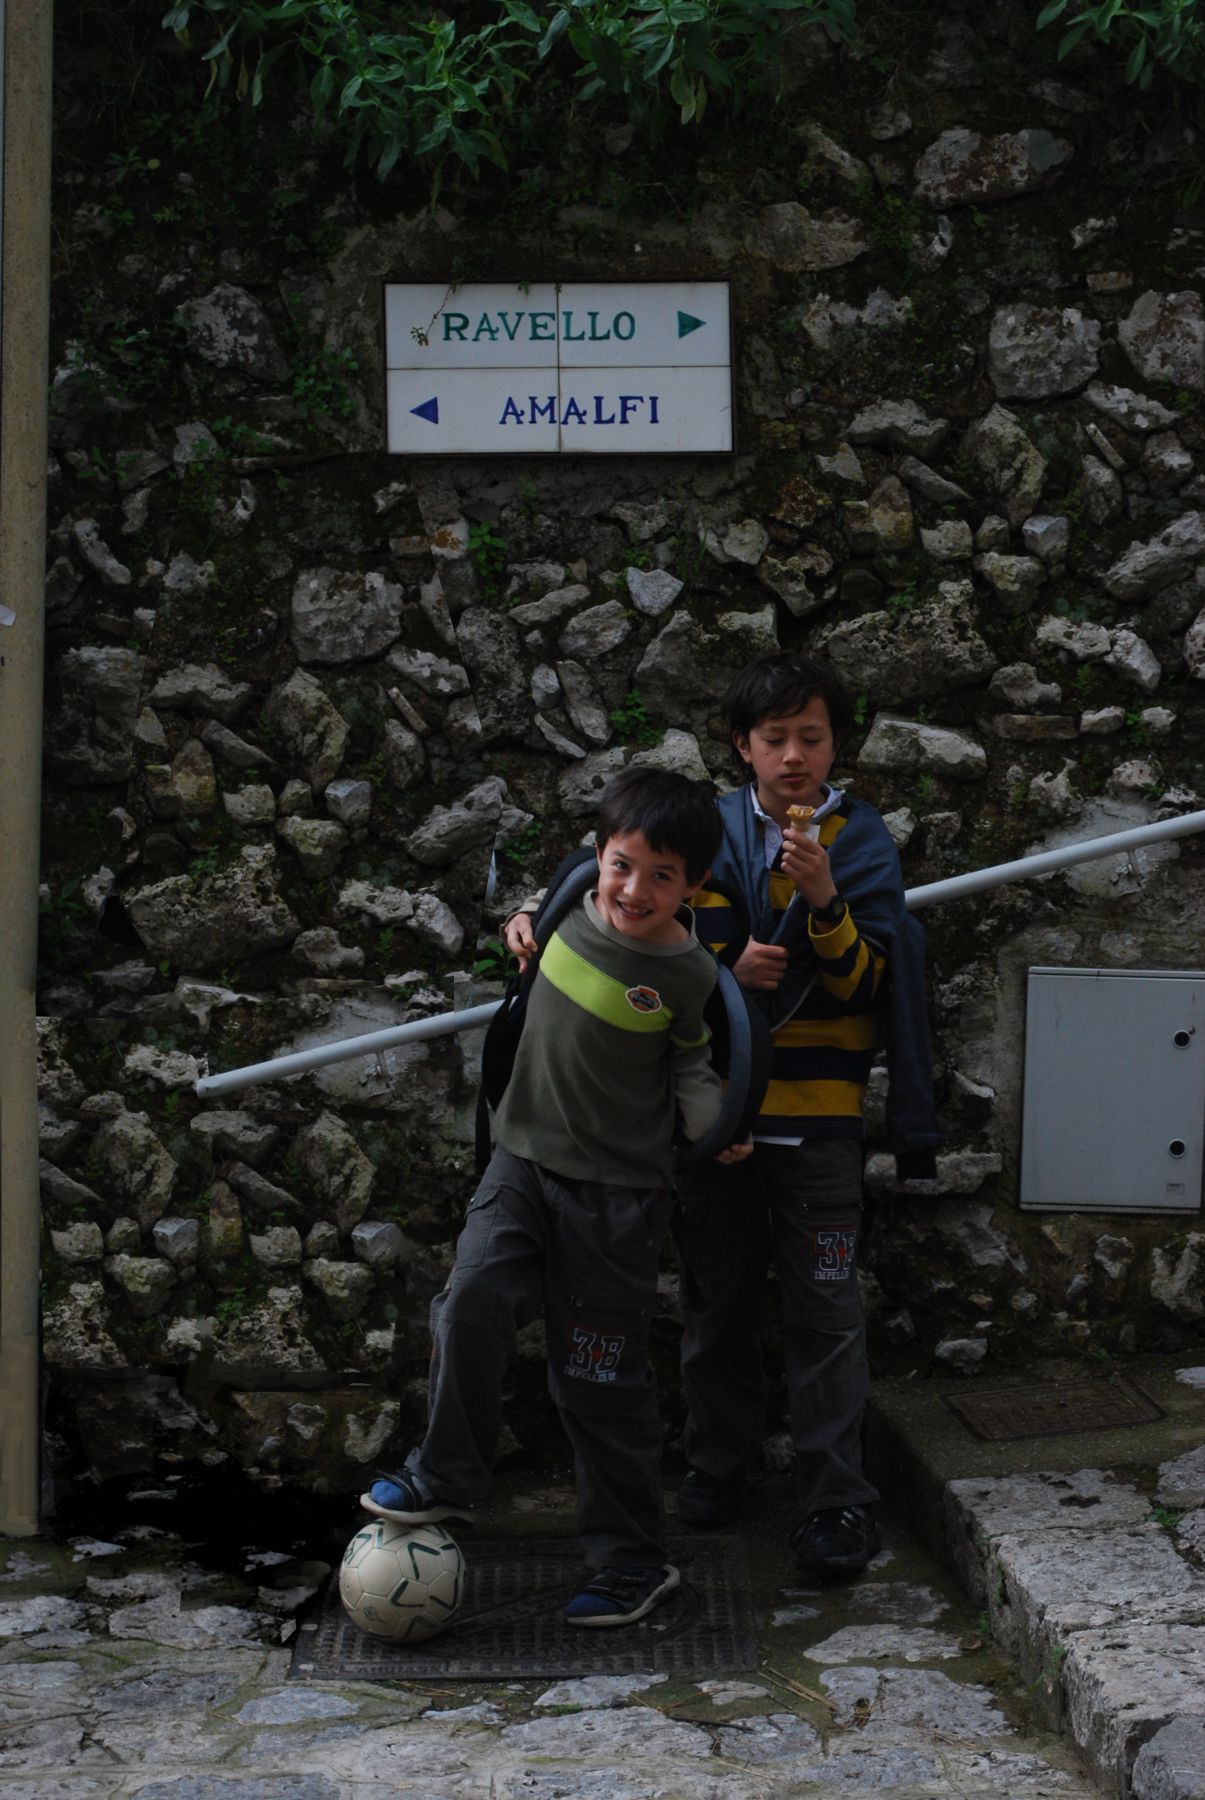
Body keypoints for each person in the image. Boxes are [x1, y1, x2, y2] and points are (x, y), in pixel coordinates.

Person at [361, 766, 752, 1627]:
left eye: (662, 876)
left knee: (595, 1381)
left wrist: (717, 1123)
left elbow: (690, 1061)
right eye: (622, 864)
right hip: (520, 1162)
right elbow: (536, 929)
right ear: (599, 856)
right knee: (469, 1300)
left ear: (694, 886)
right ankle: (447, 1475)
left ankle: (631, 1562)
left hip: (617, 1198)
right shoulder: (569, 904)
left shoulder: (687, 972)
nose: (634, 889)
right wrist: (520, 923)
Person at [673, 651, 940, 1577]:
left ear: (836, 746)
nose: (794, 756)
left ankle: (836, 1502)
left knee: (825, 1311)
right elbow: (644, 936)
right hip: (714, 1117)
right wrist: (721, 974)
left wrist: (824, 899)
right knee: (717, 1303)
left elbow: (872, 977)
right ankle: (717, 1466)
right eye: (775, 738)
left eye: (812, 738)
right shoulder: (699, 831)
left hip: (819, 1118)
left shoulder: (860, 840)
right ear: (741, 746)